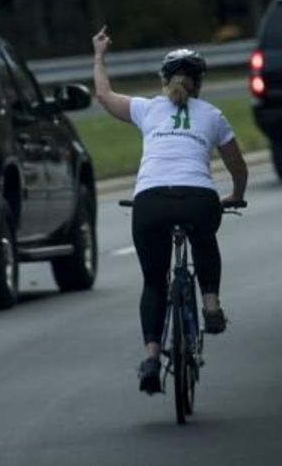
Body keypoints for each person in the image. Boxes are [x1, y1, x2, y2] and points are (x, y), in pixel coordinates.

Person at [91, 25, 249, 394]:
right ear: (201, 83)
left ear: (164, 80)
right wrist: (236, 194)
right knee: (204, 237)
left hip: (150, 201)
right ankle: (210, 304)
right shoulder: (213, 114)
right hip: (198, 199)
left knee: (153, 281)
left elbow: (103, 94)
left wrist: (99, 55)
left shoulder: (147, 108)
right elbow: (237, 167)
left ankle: (150, 356)